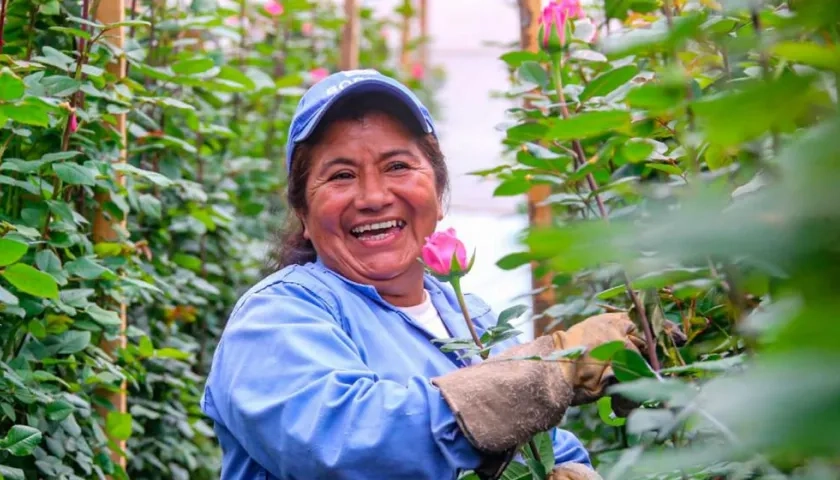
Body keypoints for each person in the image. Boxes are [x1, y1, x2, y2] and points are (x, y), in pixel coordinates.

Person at [200, 69, 647, 480]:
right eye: (341, 175)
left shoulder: (474, 318)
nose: (373, 196)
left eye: (397, 166)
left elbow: (542, 443)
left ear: (437, 189)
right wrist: (551, 370)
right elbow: (346, 445)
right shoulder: (275, 317)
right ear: (302, 210)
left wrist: (570, 466)